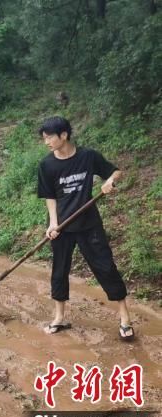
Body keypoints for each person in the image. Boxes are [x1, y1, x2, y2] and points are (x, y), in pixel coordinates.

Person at [36, 116, 133, 340]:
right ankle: (59, 317)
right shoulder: (46, 165)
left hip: (89, 224)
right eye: (44, 138)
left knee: (105, 266)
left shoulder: (88, 157)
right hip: (61, 226)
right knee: (59, 271)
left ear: (64, 135)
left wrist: (109, 181)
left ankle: (125, 318)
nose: (46, 142)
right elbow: (49, 196)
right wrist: (52, 223)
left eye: (49, 137)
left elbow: (115, 171)